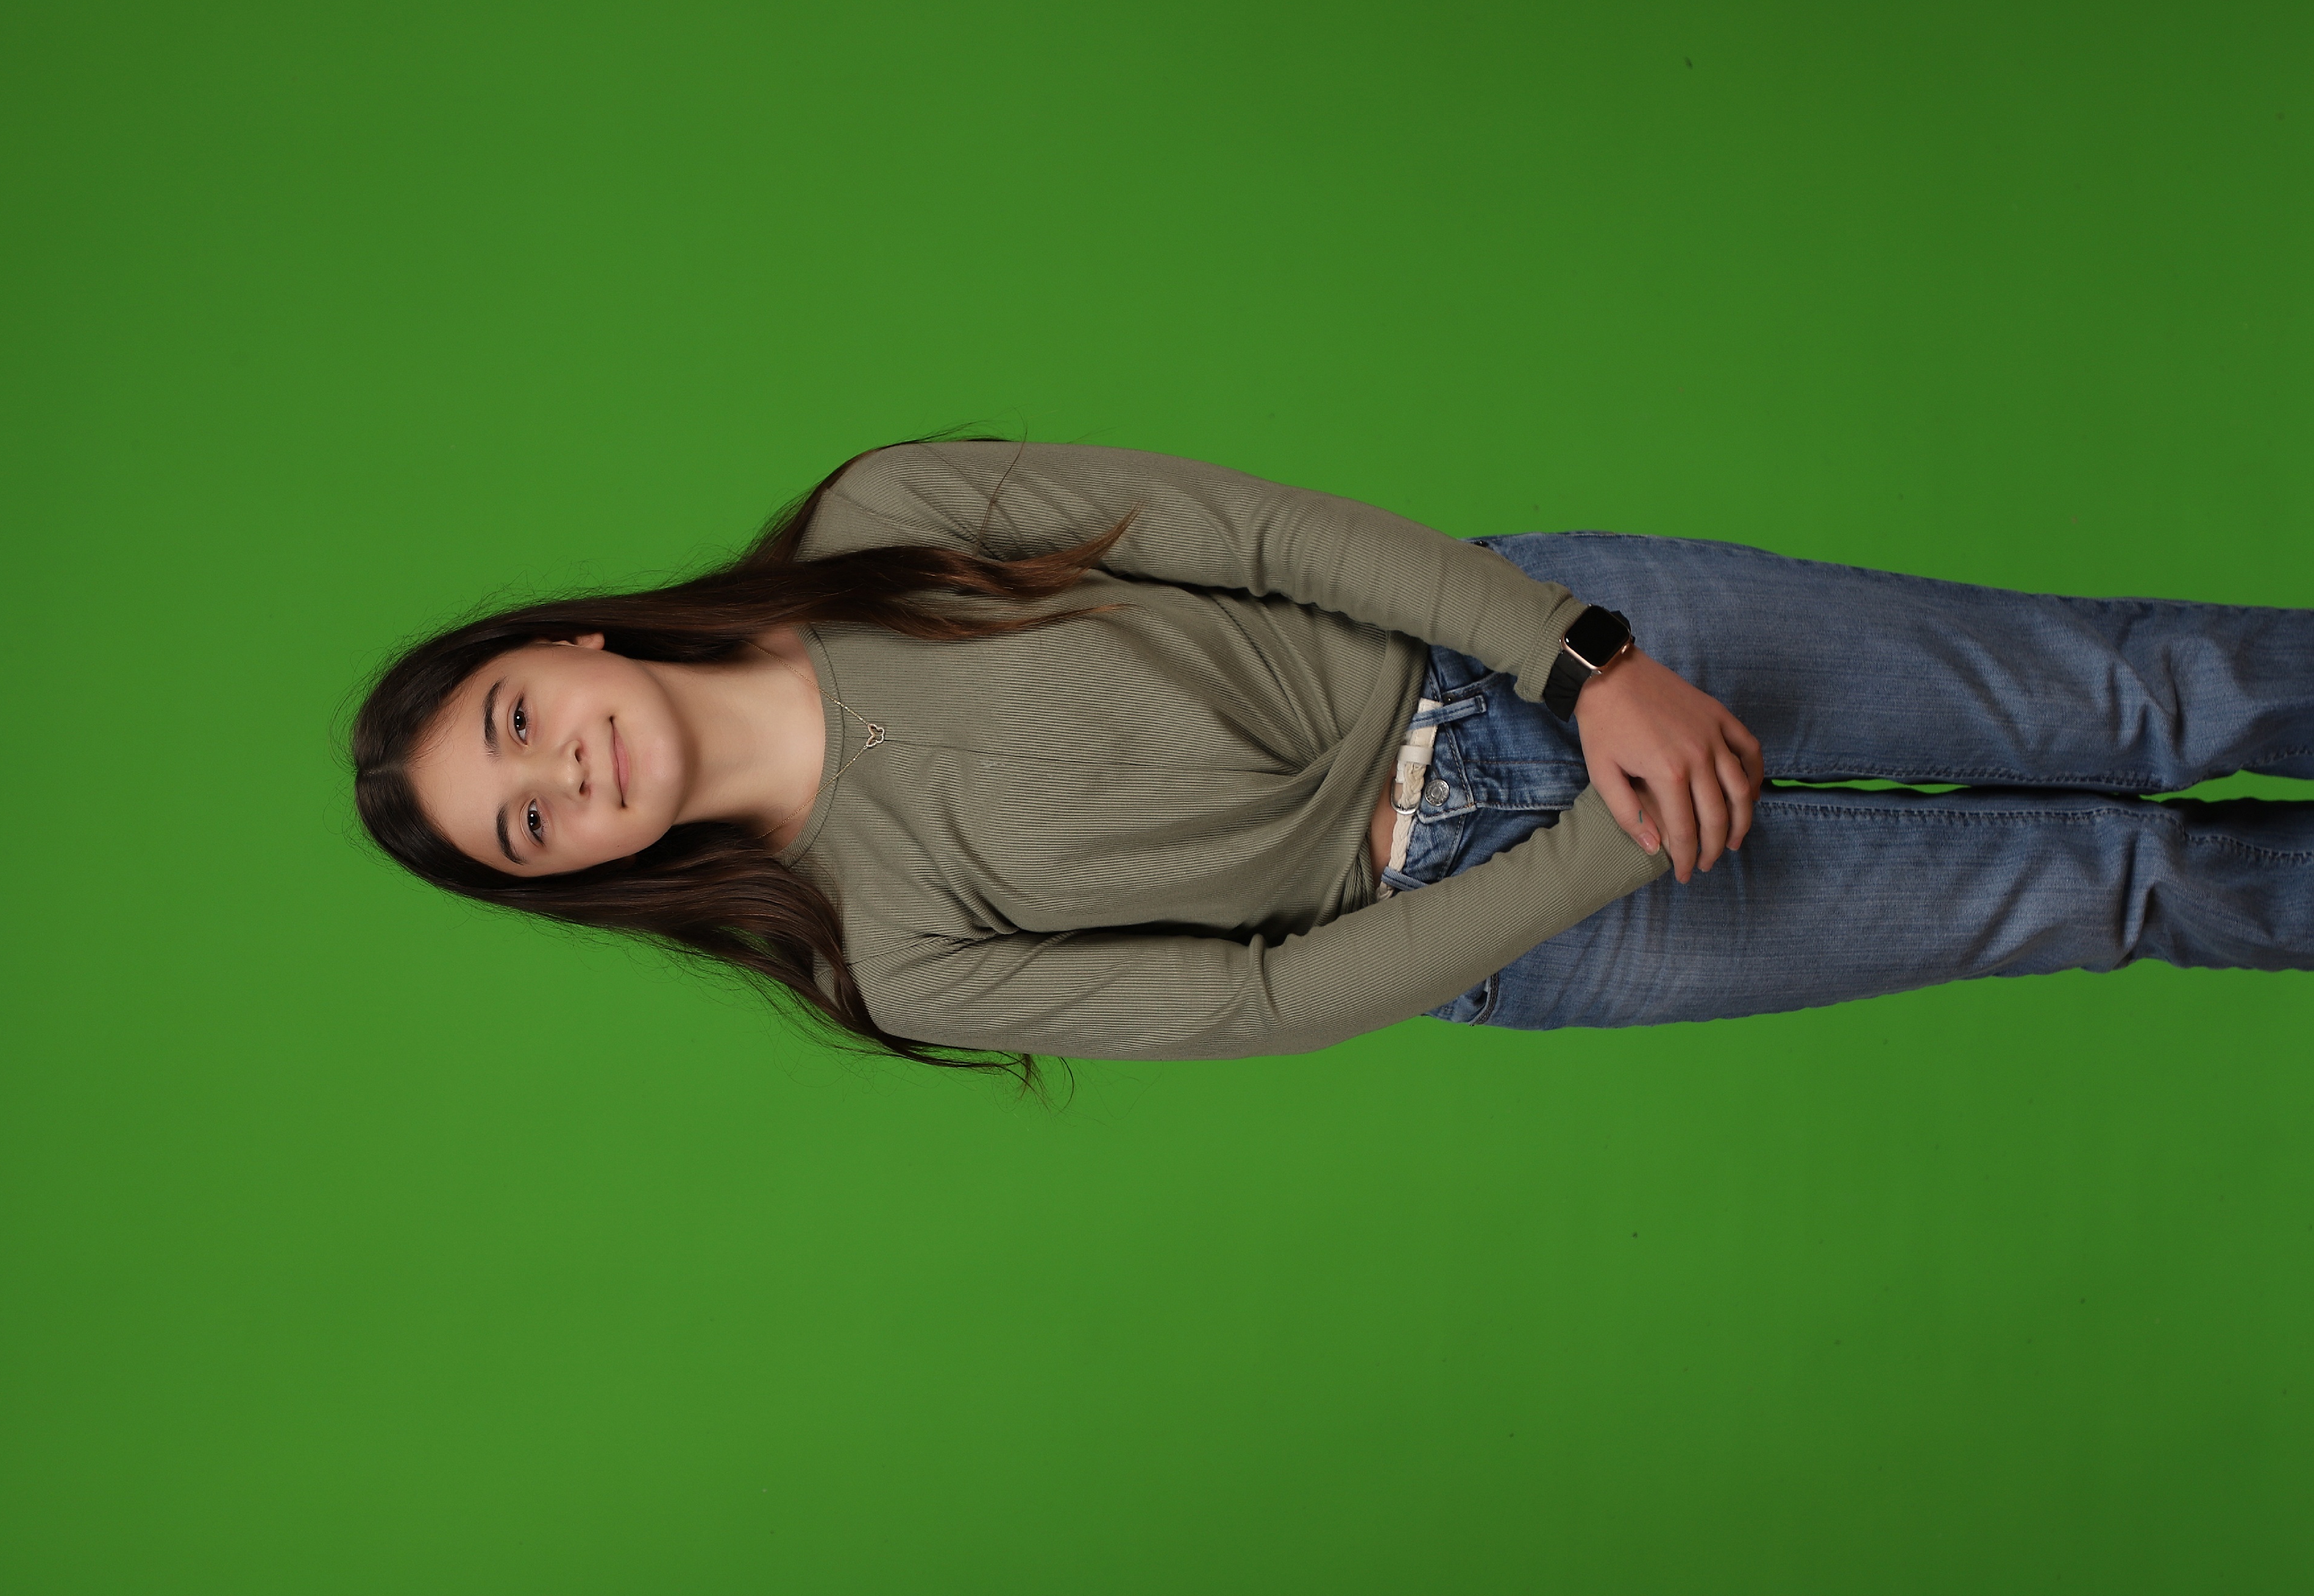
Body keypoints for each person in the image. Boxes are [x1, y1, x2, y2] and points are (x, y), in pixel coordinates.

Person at [350, 439, 2314, 1077]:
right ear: (576, 878)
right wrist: (1604, 855)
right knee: (2120, 890)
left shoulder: (884, 519)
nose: (562, 773)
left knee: (2131, 695)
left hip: (1522, 651)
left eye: (515, 720)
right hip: (1530, 922)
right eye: (525, 829)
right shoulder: (889, 961)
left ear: (567, 642)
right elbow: (1265, 1003)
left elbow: (1261, 536)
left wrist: (1589, 664)